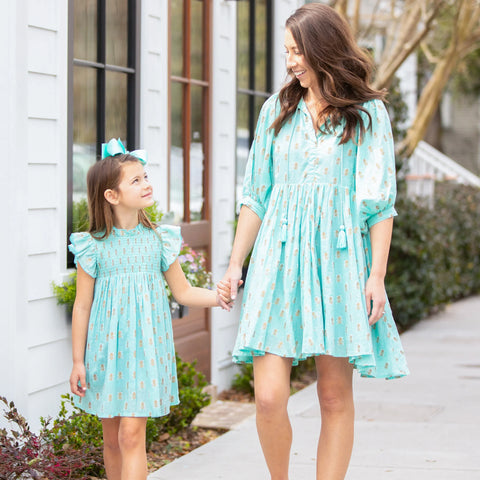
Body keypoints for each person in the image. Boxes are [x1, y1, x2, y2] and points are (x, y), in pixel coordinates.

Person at [217, 4, 409, 480]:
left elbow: (378, 203)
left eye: (297, 51)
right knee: (267, 398)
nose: (290, 62)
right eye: (286, 51)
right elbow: (255, 196)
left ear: (324, 49)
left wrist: (377, 275)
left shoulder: (367, 114)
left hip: (338, 259)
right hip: (278, 257)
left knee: (333, 396)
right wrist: (235, 263)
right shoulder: (276, 110)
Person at [69, 138, 232, 480]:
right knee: (112, 439)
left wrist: (218, 296)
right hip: (106, 352)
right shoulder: (92, 247)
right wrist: (78, 361)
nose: (147, 184)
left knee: (131, 435)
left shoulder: (159, 239)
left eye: (145, 176)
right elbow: (82, 307)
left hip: (145, 350)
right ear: (111, 196)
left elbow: (184, 292)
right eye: (136, 180)